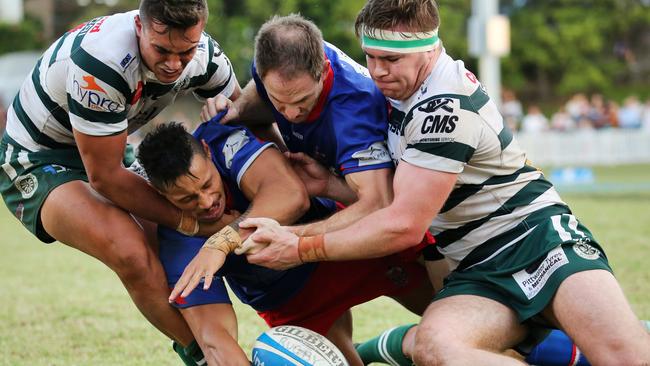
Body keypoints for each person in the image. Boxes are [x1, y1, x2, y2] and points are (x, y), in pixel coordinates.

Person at [242, 1, 650, 365]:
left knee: (624, 356)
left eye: (390, 60)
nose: (378, 71)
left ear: (430, 49)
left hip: (537, 242)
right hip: (475, 269)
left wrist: (299, 247)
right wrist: (331, 186)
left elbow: (404, 224)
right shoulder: (391, 85)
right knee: (435, 348)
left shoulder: (444, 107)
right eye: (371, 57)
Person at [171, 14, 442, 362]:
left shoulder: (353, 109)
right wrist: (232, 109)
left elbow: (379, 204)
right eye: (279, 101)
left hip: (397, 218)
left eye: (302, 100)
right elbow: (253, 111)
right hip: (332, 209)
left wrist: (297, 242)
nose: (291, 112)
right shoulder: (282, 61)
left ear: (324, 72)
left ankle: (390, 345)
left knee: (445, 328)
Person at [0, 1, 241, 364]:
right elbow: (106, 178)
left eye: (185, 51)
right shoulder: (103, 61)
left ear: (200, 33)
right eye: (162, 50)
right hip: (38, 158)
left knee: (167, 240)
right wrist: (193, 224)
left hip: (107, 145)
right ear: (140, 28)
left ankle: (220, 347)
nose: (174, 64)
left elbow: (245, 116)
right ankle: (204, 357)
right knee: (130, 250)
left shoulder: (206, 56)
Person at [137, 120, 430, 365]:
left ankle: (397, 344)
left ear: (206, 151)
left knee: (444, 324)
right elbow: (215, 341)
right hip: (291, 298)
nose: (207, 201)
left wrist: (221, 241)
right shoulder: (177, 243)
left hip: (340, 247)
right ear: (161, 196)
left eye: (207, 184)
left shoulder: (221, 140)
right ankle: (387, 345)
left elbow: (292, 195)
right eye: (187, 199)